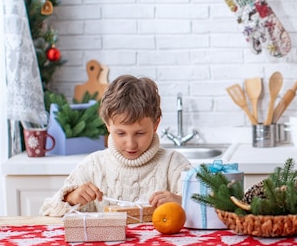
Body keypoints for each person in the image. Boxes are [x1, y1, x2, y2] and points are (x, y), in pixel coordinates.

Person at [40, 75, 191, 216]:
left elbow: (209, 209)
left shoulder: (174, 164)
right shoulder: (93, 166)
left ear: (156, 124)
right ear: (107, 125)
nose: (131, 144)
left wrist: (182, 203)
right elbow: (46, 211)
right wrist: (71, 198)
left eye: (140, 133)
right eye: (121, 133)